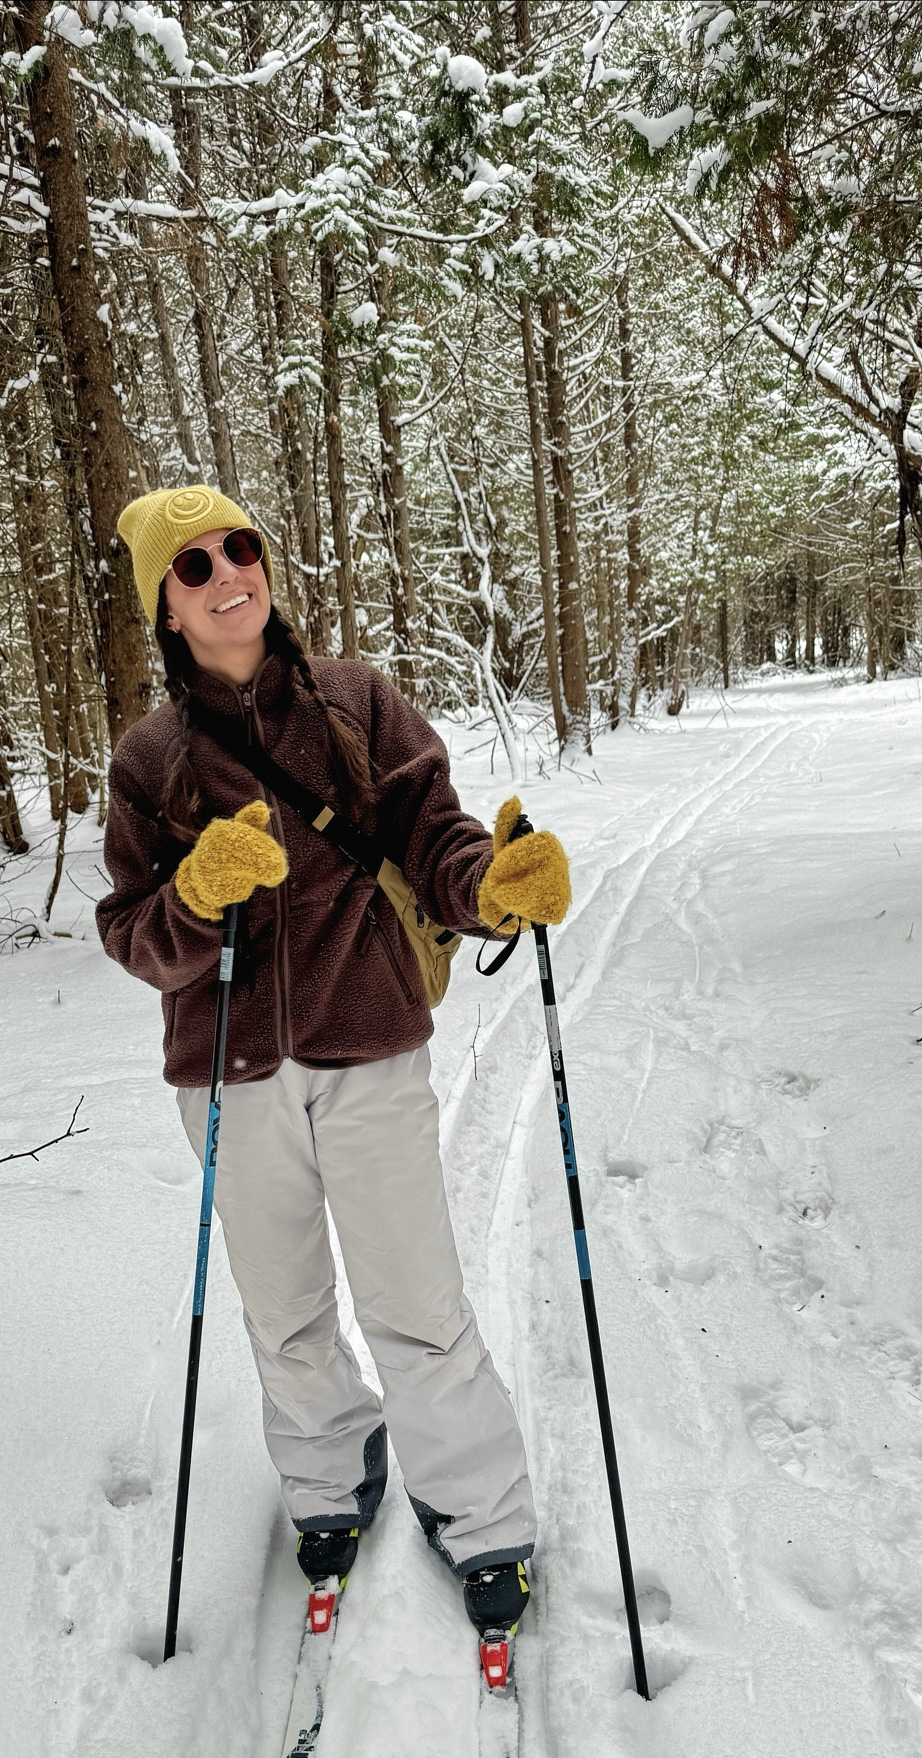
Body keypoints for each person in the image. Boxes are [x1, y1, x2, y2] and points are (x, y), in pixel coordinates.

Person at [96, 484, 573, 1654]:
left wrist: (491, 882)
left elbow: (434, 832)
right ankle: (328, 1477)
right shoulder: (150, 760)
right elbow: (129, 931)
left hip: (366, 1045)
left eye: (239, 548)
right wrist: (194, 899)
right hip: (226, 1074)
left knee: (416, 1299)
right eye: (193, 565)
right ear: (163, 603)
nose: (224, 576)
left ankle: (479, 1509)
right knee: (285, 1312)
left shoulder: (356, 700)